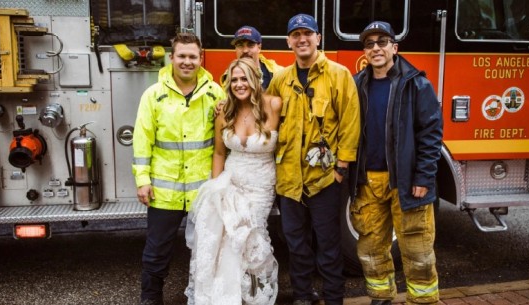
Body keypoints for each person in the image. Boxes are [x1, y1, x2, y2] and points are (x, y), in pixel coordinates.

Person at [266, 13, 360, 305]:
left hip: (325, 179)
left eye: (308, 34)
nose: (302, 39)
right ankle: (303, 297)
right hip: (289, 180)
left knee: (329, 246)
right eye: (296, 35)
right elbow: (265, 118)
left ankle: (333, 299)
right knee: (296, 245)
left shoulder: (338, 74)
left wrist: (341, 167)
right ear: (288, 42)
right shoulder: (281, 79)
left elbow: (350, 122)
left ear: (319, 38)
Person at [349, 21, 443, 305]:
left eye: (382, 42)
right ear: (365, 52)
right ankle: (381, 297)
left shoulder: (416, 83)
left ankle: (423, 300)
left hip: (405, 180)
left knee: (417, 247)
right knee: (371, 246)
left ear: (394, 47)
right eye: (369, 44)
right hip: (368, 181)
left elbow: (431, 134)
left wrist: (423, 179)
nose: (375, 48)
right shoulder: (357, 84)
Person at [132, 32, 226, 305]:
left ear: (201, 58)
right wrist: (142, 180)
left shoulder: (214, 93)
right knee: (157, 251)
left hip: (202, 190)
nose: (187, 62)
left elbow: (222, 143)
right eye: (182, 56)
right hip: (164, 191)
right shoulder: (153, 95)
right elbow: (142, 140)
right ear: (172, 58)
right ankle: (150, 298)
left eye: (192, 57)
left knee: (206, 250)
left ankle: (204, 298)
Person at [184, 57, 282, 304]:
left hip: (260, 185)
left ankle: (255, 296)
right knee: (226, 241)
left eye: (244, 78)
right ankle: (230, 296)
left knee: (252, 237)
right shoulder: (224, 110)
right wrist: (216, 190)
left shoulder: (274, 104)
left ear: (256, 80)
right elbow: (219, 153)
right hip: (231, 182)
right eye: (234, 79)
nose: (239, 84)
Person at [221, 25, 283, 90]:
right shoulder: (228, 77)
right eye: (240, 45)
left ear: (259, 47)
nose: (245, 50)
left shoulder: (278, 73)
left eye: (250, 45)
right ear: (235, 49)